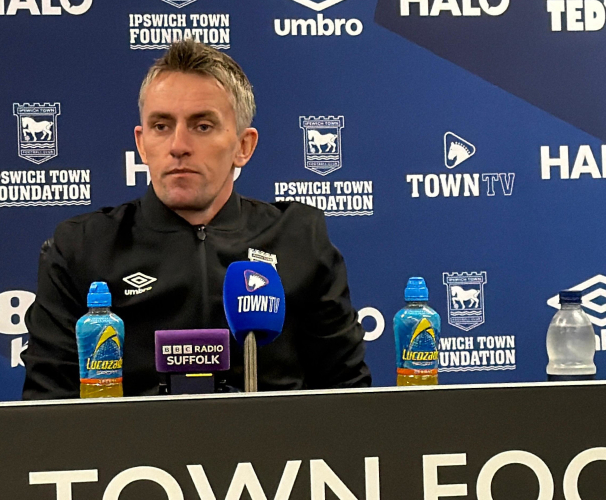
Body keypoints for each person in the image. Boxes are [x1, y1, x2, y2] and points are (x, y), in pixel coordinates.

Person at [22, 39, 371, 398]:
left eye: (202, 126)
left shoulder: (298, 237)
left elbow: (350, 398)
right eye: (161, 126)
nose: (178, 146)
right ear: (141, 144)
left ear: (243, 146)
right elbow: (46, 408)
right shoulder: (82, 247)